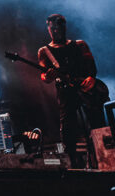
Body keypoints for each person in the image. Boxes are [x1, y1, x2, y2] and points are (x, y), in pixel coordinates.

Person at [37, 13, 108, 168]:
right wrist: (47, 77)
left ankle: (104, 158)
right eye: (53, 28)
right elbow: (43, 75)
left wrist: (91, 78)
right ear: (48, 28)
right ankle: (72, 163)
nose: (57, 31)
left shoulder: (80, 45)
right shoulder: (44, 51)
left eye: (60, 27)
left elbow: (92, 68)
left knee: (97, 123)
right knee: (68, 127)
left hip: (86, 89)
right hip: (65, 92)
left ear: (65, 27)